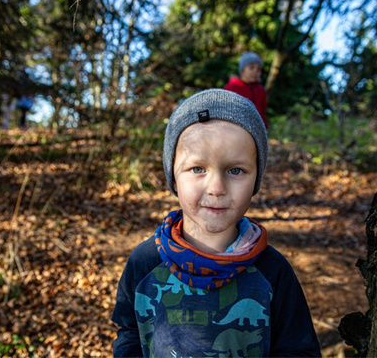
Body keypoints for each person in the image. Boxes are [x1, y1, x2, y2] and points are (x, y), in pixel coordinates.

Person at [111, 89, 319, 357]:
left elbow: (298, 350)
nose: (217, 187)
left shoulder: (273, 271)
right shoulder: (145, 263)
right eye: (197, 169)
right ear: (173, 177)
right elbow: (129, 332)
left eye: (236, 170)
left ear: (256, 180)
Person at [224, 51, 269, 129]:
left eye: (259, 69)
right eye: (251, 67)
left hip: (258, 131)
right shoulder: (231, 88)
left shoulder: (261, 91)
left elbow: (262, 112)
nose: (255, 71)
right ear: (242, 71)